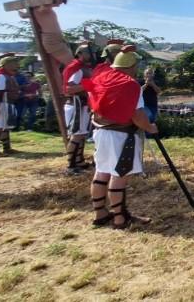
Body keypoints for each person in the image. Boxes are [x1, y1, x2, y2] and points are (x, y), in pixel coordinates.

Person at [83, 45, 157, 229]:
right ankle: (120, 218)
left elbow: (90, 97)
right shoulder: (130, 84)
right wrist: (150, 127)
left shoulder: (100, 78)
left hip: (100, 131)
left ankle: (100, 213)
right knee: (119, 175)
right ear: (131, 65)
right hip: (121, 135)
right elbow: (137, 115)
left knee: (101, 172)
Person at [63, 43, 93, 174]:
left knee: (81, 134)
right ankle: (70, 165)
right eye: (88, 52)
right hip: (76, 105)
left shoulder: (85, 68)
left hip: (83, 105)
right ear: (79, 54)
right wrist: (89, 85)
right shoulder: (76, 68)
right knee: (76, 135)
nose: (91, 55)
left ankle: (79, 161)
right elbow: (69, 88)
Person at [0, 54, 21, 156]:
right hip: (0, 104)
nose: (16, 66)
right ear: (6, 65)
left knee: (5, 126)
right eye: (14, 63)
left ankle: (7, 148)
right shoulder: (0, 76)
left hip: (6, 103)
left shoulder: (8, 76)